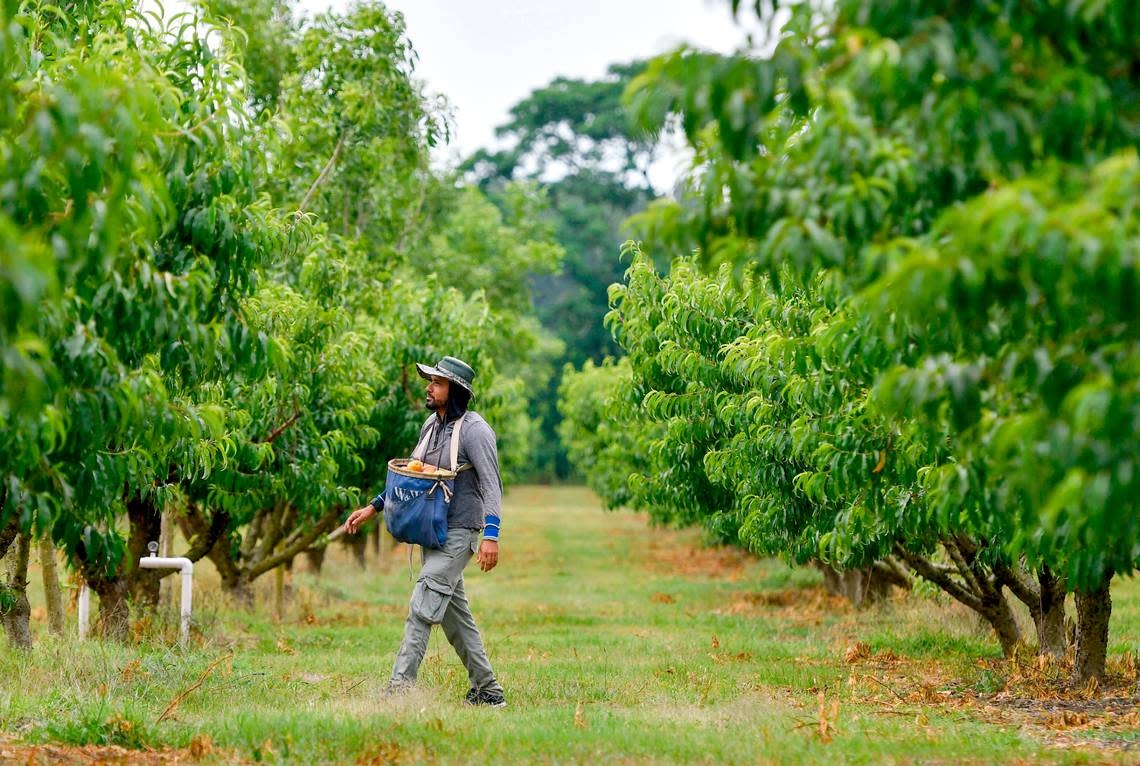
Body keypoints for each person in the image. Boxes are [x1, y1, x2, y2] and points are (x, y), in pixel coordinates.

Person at [345, 356, 506, 707]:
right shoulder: (430, 426)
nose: (429, 387)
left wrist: (491, 535)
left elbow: (493, 486)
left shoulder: (476, 430)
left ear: (456, 390)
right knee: (455, 618)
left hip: (460, 533)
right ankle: (489, 691)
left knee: (422, 603)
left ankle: (399, 690)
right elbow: (414, 478)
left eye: (437, 382)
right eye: (430, 381)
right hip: (432, 533)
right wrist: (372, 507)